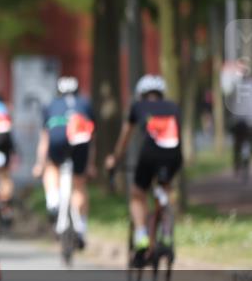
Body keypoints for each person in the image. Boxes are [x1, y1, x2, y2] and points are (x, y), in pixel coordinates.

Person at [105, 74, 183, 261]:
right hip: (174, 155)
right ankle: (166, 229)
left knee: (137, 194)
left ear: (141, 94)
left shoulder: (137, 106)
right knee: (164, 188)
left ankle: (141, 237)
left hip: (150, 154)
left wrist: (115, 160)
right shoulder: (173, 107)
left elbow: (125, 137)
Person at [32, 76, 94, 248]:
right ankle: (81, 227)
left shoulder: (51, 104)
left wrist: (39, 164)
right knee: (79, 185)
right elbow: (91, 136)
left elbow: (45, 138)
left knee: (52, 167)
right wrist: (90, 165)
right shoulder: (85, 103)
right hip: (80, 139)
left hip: (58, 139)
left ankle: (53, 200)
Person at [229, 68, 252, 176]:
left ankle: (236, 162)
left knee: (236, 141)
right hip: (250, 119)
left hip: (238, 119)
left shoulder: (236, 85)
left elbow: (231, 101)